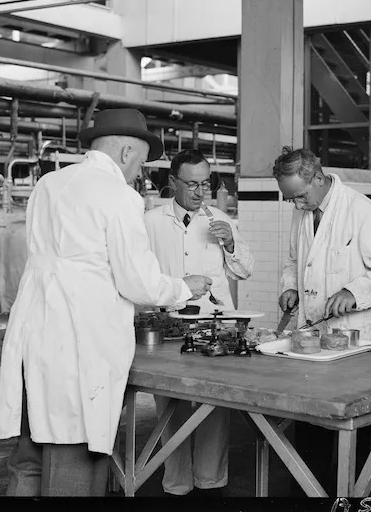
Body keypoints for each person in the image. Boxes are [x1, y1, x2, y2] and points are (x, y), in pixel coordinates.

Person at [0, 108, 213, 497]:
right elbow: (138, 282)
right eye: (141, 163)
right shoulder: (119, 196)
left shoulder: (48, 184)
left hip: (34, 333)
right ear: (127, 151)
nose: (139, 173)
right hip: (80, 343)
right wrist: (184, 287)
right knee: (76, 456)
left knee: (29, 458)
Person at [274, 147, 371, 494]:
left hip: (355, 341)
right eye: (291, 200)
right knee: (309, 425)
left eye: (300, 197)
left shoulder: (360, 211)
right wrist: (291, 288)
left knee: (352, 432)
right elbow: (293, 260)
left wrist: (354, 291)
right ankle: (308, 495)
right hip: (312, 338)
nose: (297, 205)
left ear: (317, 178)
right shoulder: (303, 209)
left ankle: (350, 497)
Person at [143, 149, 254, 496]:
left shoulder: (220, 218)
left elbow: (245, 270)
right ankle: (176, 482)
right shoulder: (150, 221)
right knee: (170, 403)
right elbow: (141, 275)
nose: (200, 192)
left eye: (205, 183)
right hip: (171, 323)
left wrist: (232, 242)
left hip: (215, 323)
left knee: (214, 404)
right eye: (192, 184)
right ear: (173, 182)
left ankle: (210, 480)